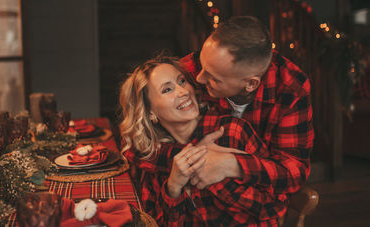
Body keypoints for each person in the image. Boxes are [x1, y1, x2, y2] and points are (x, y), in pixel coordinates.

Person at [124, 16, 315, 225]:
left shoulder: (289, 89)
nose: (197, 79)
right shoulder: (199, 66)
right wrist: (192, 159)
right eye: (201, 67)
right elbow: (137, 137)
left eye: (214, 77)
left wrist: (231, 164)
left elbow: (292, 173)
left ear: (250, 84)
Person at [120, 56, 280, 226]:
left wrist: (219, 174)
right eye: (167, 90)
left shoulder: (232, 132)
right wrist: (173, 187)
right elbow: (154, 223)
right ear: (151, 113)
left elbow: (273, 207)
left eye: (181, 81)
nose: (183, 92)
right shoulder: (155, 158)